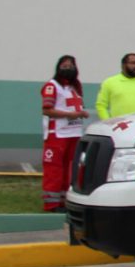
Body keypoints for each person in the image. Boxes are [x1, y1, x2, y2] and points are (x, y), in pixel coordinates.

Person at [40, 55, 89, 212]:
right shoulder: (52, 86)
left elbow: (75, 106)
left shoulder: (75, 87)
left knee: (70, 168)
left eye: (71, 66)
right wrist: (70, 115)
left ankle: (64, 200)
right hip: (57, 134)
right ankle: (51, 203)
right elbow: (47, 110)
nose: (68, 69)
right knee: (54, 168)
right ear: (58, 68)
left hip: (74, 133)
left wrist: (81, 113)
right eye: (65, 66)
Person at [95, 53, 135, 119]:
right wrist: (108, 121)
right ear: (123, 65)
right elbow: (101, 105)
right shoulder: (109, 82)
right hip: (120, 124)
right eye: (133, 63)